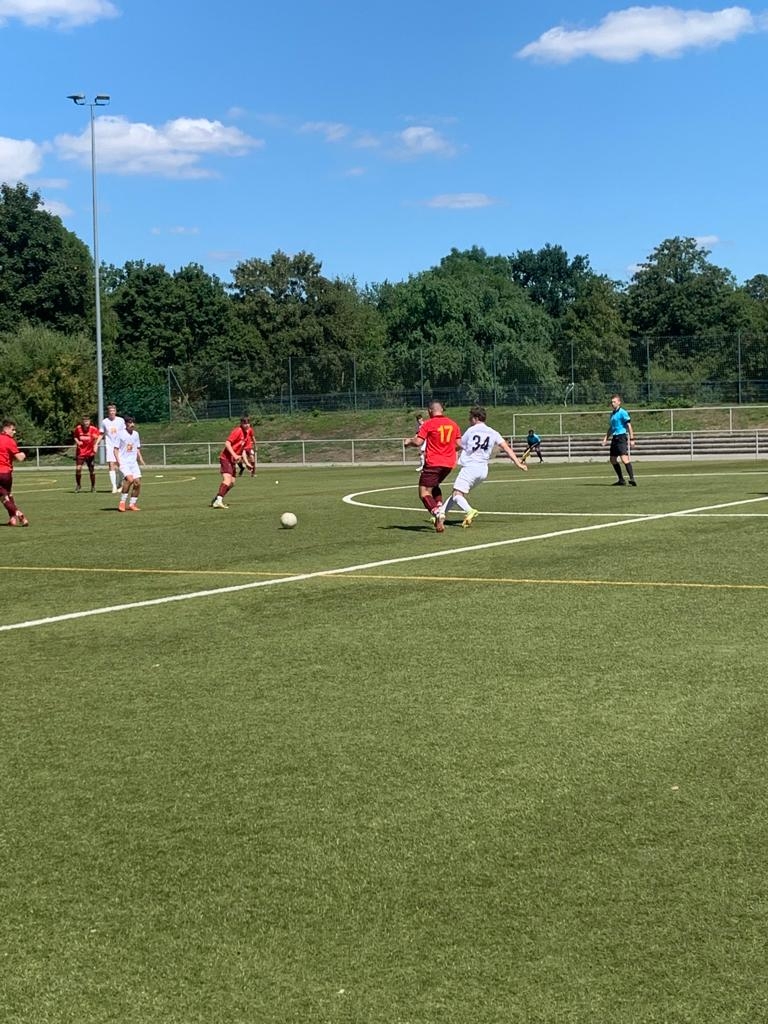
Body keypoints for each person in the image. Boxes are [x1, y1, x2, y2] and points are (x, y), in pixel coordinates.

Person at [435, 406, 527, 530]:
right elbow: (506, 447)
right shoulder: (493, 432)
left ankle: (469, 511)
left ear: (476, 418)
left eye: (470, 417)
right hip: (483, 470)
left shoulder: (471, 431)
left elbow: (458, 445)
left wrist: (443, 451)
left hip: (470, 467)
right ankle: (441, 515)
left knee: (457, 494)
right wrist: (518, 463)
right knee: (457, 493)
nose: (469, 420)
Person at [404, 400, 461, 531]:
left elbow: (418, 442)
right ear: (442, 410)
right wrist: (447, 450)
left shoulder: (429, 423)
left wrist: (408, 442)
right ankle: (439, 507)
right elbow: (459, 445)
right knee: (434, 486)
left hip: (434, 462)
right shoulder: (453, 424)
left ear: (430, 411)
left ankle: (437, 513)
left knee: (424, 492)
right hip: (448, 464)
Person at [211, 416, 255, 508]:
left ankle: (217, 498)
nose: (247, 425)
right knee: (227, 479)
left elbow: (243, 451)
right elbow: (227, 443)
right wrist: (234, 455)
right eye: (244, 423)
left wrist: (247, 463)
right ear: (241, 424)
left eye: (248, 423)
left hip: (232, 461)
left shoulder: (247, 434)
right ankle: (219, 500)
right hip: (226, 458)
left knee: (231, 483)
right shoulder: (238, 431)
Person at [601, 394, 637, 486]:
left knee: (624, 458)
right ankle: (621, 480)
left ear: (619, 402)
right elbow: (611, 428)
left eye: (614, 402)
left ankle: (632, 479)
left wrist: (632, 439)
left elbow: (629, 426)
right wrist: (605, 438)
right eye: (612, 402)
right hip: (615, 438)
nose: (612, 403)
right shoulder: (612, 414)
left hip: (621, 437)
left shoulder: (623, 412)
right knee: (612, 459)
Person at [0, 419, 30, 527]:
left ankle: (18, 513)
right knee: (8, 495)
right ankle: (12, 519)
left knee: (3, 498)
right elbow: (19, 458)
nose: (14, 432)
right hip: (7, 474)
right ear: (6, 429)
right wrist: (24, 454)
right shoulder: (10, 441)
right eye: (13, 429)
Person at [113, 415, 146, 512]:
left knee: (137, 483)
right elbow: (115, 449)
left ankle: (132, 504)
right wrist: (118, 462)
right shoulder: (120, 434)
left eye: (133, 422)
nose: (132, 424)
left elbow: (137, 448)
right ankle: (122, 503)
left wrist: (140, 458)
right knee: (130, 479)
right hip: (124, 461)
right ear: (126, 424)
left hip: (133, 462)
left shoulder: (136, 434)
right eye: (130, 422)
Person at [72, 414, 101, 492]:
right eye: (85, 421)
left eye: (87, 421)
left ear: (90, 421)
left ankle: (93, 486)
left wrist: (95, 445)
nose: (86, 423)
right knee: (78, 469)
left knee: (91, 470)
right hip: (80, 452)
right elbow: (75, 436)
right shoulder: (78, 428)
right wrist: (78, 442)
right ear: (82, 422)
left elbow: (98, 437)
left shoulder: (93, 429)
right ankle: (78, 485)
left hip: (90, 453)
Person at [101, 404, 126, 493]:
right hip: (110, 445)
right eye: (110, 411)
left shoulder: (121, 420)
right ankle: (114, 486)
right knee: (111, 465)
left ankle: (120, 483)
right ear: (108, 412)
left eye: (113, 411)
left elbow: (124, 432)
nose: (112, 412)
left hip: (120, 445)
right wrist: (96, 444)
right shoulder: (104, 422)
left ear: (115, 411)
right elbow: (101, 433)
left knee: (120, 465)